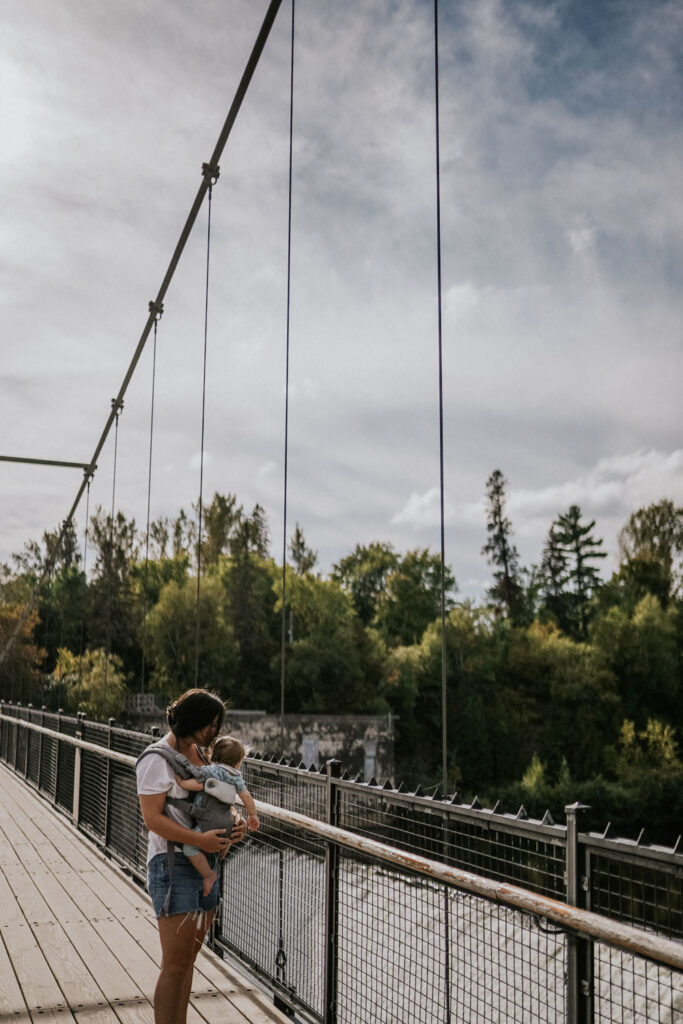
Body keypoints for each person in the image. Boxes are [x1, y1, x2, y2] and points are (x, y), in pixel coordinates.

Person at [135, 688, 247, 1024]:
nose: (215, 731)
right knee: (175, 965)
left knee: (188, 961)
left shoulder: (203, 756)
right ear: (193, 721)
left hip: (206, 864)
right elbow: (153, 820)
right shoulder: (156, 759)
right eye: (210, 724)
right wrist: (200, 838)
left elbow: (217, 801)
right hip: (173, 866)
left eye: (217, 725)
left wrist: (235, 823)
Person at [175, 735, 260, 897]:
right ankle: (220, 856)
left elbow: (198, 784)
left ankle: (208, 875)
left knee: (189, 848)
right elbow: (246, 797)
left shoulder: (209, 771)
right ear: (237, 762)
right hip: (227, 820)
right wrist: (253, 815)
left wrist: (182, 783)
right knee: (226, 837)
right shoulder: (235, 777)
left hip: (207, 819)